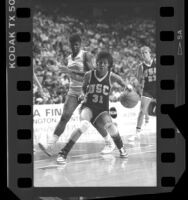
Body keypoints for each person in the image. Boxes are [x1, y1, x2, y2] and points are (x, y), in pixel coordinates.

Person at [38, 34, 115, 156]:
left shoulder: (86, 55)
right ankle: (50, 145)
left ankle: (109, 142)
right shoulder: (69, 58)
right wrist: (58, 70)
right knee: (65, 117)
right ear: (69, 45)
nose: (74, 47)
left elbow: (90, 72)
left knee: (95, 122)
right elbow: (70, 75)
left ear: (80, 44)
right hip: (73, 92)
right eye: (72, 45)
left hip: (88, 92)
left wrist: (71, 71)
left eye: (77, 44)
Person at [56, 51, 131, 164]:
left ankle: (121, 148)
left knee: (110, 126)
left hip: (102, 110)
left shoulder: (111, 76)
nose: (101, 65)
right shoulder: (89, 75)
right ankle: (63, 153)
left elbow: (121, 80)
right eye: (99, 62)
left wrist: (127, 86)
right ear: (96, 63)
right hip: (88, 107)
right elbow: (83, 88)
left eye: (104, 63)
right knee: (84, 125)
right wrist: (82, 94)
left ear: (108, 65)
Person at [128, 46, 156, 141]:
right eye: (142, 53)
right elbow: (137, 79)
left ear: (150, 53)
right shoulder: (141, 66)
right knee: (142, 111)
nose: (144, 54)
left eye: (146, 52)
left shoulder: (156, 62)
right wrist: (132, 84)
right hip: (148, 90)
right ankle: (137, 133)